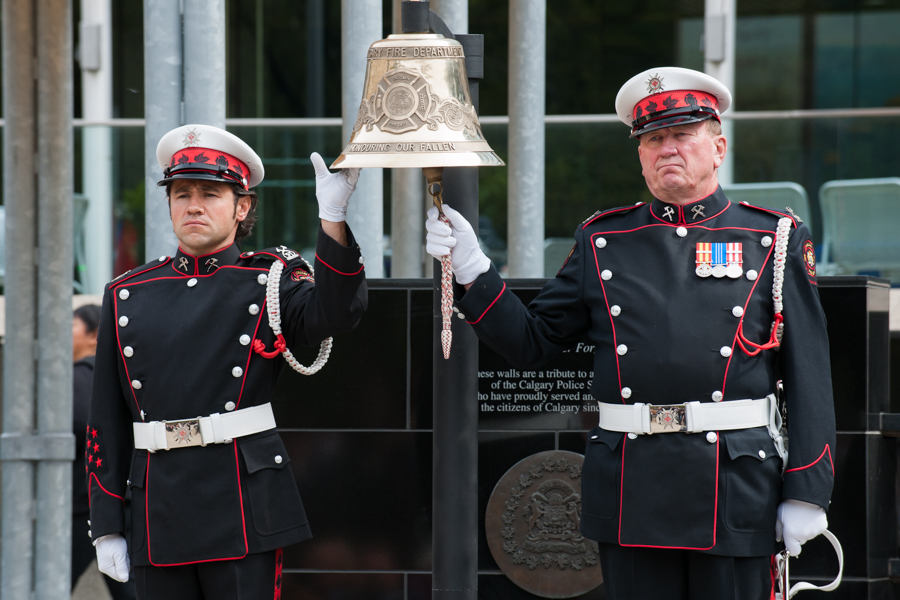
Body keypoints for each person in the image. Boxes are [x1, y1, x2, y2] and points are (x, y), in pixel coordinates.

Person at [425, 67, 835, 599]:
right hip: (631, 484)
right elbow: (532, 342)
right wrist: (474, 269)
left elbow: (809, 374)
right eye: (653, 139)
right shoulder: (603, 239)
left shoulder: (773, 236)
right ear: (640, 155)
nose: (667, 148)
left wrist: (807, 490)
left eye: (682, 135)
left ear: (718, 147)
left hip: (734, 485)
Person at [86, 124, 367, 600]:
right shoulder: (127, 292)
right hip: (157, 506)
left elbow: (339, 312)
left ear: (243, 206)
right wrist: (106, 523)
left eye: (210, 193)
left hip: (242, 500)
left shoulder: (270, 279)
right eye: (181, 193)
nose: (193, 205)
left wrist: (332, 219)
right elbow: (106, 420)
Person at [72, 304, 137, 598]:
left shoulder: (76, 382)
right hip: (123, 501)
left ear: (94, 334)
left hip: (80, 506)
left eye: (71, 326)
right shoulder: (129, 377)